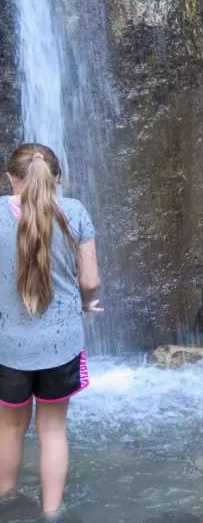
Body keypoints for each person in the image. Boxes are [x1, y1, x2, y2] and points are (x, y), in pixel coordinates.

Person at [0, 143, 102, 522]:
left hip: (7, 347)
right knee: (53, 428)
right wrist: (85, 302)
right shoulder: (73, 212)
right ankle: (51, 513)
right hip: (61, 346)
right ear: (57, 178)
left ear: (10, 178)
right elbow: (90, 281)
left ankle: (7, 499)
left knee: (10, 425)